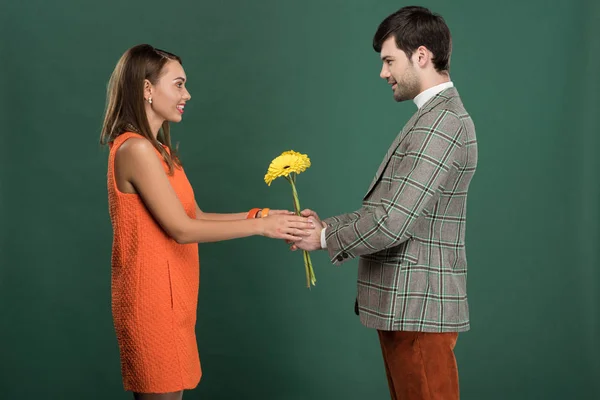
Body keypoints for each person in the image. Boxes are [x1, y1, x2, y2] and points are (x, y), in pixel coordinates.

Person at [100, 44, 314, 400]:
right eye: (179, 84)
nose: (188, 94)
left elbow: (193, 215)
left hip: (174, 300)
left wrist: (259, 215)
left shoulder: (159, 151)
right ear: (147, 89)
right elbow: (182, 230)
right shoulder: (134, 150)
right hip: (152, 306)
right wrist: (261, 228)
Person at [292, 6, 478, 400]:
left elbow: (394, 221)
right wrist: (326, 226)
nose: (383, 72)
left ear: (422, 56)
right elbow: (390, 207)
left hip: (419, 309)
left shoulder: (442, 123)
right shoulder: (431, 118)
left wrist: (325, 236)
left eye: (389, 60)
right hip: (409, 308)